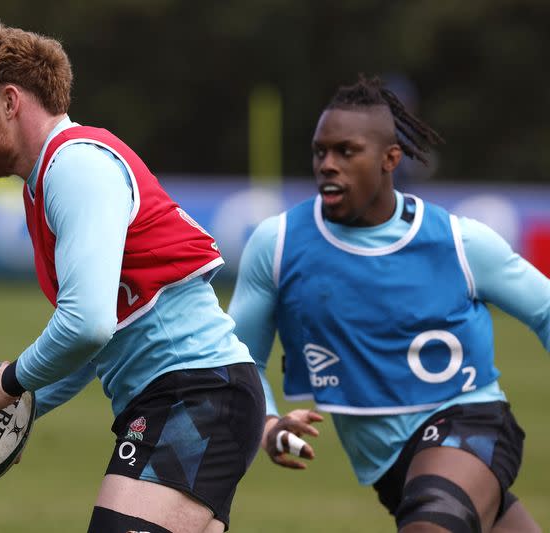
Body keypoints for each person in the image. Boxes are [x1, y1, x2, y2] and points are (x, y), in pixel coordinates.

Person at [0, 23, 264, 533]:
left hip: (195, 394)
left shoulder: (76, 167)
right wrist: (24, 409)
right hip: (193, 397)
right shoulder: (48, 179)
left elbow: (88, 324)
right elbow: (101, 337)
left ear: (9, 101)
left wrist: (7, 383)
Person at [227, 75, 549, 532]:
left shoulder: (460, 242)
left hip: (470, 420)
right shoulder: (277, 245)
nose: (328, 165)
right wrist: (268, 423)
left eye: (346, 151)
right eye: (321, 151)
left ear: (390, 159)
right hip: (393, 471)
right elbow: (238, 357)